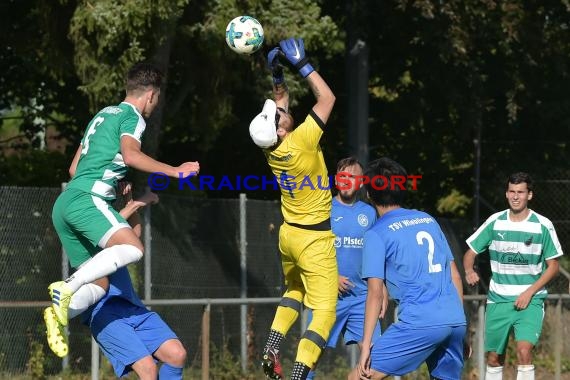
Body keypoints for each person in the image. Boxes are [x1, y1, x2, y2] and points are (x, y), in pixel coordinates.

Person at [45, 62, 199, 357]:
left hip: (65, 204)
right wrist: (176, 171)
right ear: (151, 95)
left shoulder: (102, 115)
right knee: (134, 249)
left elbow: (75, 167)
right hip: (86, 200)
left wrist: (109, 179)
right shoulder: (133, 116)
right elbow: (131, 155)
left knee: (100, 283)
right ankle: (65, 288)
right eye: (157, 99)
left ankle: (58, 313)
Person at [249, 37, 337, 380]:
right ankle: (299, 373)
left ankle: (272, 344)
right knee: (325, 311)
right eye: (278, 114)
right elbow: (327, 98)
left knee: (294, 291)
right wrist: (303, 66)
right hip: (314, 241)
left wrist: (276, 73)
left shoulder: (273, 148)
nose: (279, 107)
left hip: (289, 236)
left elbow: (281, 100)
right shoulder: (302, 141)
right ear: (283, 129)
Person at [348, 157, 467, 380]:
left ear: (369, 194)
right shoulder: (427, 220)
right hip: (454, 319)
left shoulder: (376, 234)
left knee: (358, 378)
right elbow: (455, 276)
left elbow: (374, 294)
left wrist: (366, 346)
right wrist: (459, 325)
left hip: (421, 322)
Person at [463, 172, 563, 380]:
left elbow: (553, 266)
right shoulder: (495, 222)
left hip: (531, 301)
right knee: (494, 358)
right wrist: (469, 270)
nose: (515, 196)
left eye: (521, 192)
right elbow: (470, 252)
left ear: (530, 195)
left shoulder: (542, 225)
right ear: (507, 194)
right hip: (498, 299)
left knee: (524, 353)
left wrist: (529, 292)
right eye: (511, 191)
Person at [306, 157, 384, 380]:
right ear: (336, 180)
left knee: (376, 359)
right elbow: (311, 251)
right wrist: (332, 277)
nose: (347, 180)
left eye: (352, 176)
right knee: (311, 355)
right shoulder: (323, 209)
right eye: (343, 176)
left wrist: (383, 289)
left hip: (362, 298)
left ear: (360, 182)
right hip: (328, 297)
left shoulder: (369, 213)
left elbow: (376, 253)